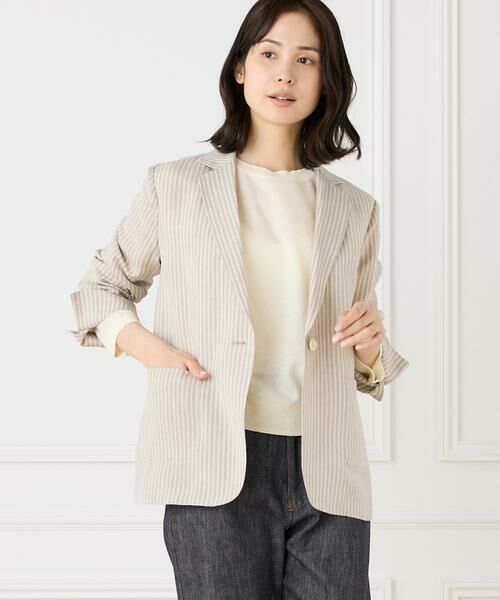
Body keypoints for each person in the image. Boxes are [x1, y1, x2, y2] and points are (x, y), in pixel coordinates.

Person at [68, 0, 410, 598]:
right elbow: (100, 288)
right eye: (270, 54)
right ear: (241, 69)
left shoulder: (355, 208)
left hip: (328, 470)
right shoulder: (177, 185)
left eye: (306, 60)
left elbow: (363, 355)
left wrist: (370, 345)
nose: (285, 74)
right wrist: (152, 350)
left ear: (326, 81)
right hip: (215, 461)